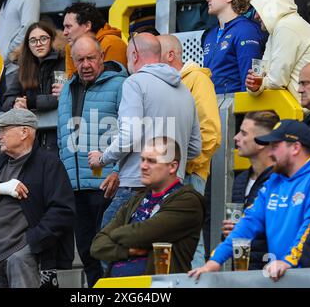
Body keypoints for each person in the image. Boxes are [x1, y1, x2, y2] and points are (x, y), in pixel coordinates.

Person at [88, 33, 201, 229]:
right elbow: (194, 148)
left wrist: (102, 158)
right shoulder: (185, 91)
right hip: (173, 188)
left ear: (134, 55)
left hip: (137, 186)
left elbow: (129, 135)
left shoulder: (134, 83)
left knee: (105, 246)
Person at [189, 119, 310, 281]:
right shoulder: (275, 180)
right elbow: (248, 223)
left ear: (295, 147)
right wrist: (215, 261)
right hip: (280, 275)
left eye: (275, 146)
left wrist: (289, 261)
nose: (270, 152)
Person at [0, 109, 75, 288]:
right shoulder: (1, 162)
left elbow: (63, 211)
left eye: (4, 130)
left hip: (22, 255)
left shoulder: (48, 163)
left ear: (24, 132)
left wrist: (31, 243)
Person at [57, 34, 127, 287]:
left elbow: (129, 131)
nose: (85, 64)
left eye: (90, 58)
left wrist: (119, 170)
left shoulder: (121, 85)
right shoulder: (67, 87)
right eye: (79, 60)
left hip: (106, 184)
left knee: (107, 250)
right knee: (86, 252)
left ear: (102, 58)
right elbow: (61, 134)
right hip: (75, 188)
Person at [91, 137, 205, 277]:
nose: (143, 166)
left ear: (173, 166)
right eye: (142, 159)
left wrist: (112, 236)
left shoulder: (187, 201)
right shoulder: (136, 199)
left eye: (151, 161)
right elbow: (97, 245)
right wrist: (128, 251)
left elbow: (140, 234)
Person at [158, 34, 221, 268]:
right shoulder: (169, 82)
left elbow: (211, 132)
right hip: (171, 172)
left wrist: (186, 165)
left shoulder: (197, 80)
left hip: (189, 174)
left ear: (171, 55)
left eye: (158, 54)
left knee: (190, 240)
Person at [226, 111, 279, 270]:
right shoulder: (241, 179)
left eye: (243, 133)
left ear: (262, 141)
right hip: (241, 274)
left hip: (272, 276)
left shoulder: (279, 181)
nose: (236, 138)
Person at [2, 21, 65, 152]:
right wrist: (16, 104)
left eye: (43, 39)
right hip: (32, 138)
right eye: (33, 40)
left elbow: (59, 98)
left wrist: (29, 102)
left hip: (59, 134)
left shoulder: (62, 62)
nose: (38, 44)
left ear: (52, 40)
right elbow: (7, 100)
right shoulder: (23, 67)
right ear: (28, 45)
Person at [202, 0, 263, 94]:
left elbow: (250, 82)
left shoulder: (245, 31)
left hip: (235, 107)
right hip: (212, 106)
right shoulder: (210, 35)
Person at [63, 2, 127, 79]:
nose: (64, 33)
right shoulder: (70, 46)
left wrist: (68, 88)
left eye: (68, 26)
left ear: (87, 26)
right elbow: (70, 80)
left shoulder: (112, 43)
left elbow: (112, 85)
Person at [0, 0, 40, 88]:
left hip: (15, 68)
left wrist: (9, 55)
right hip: (1, 68)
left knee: (10, 102)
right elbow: (6, 33)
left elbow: (28, 29)